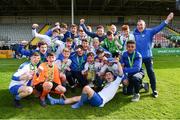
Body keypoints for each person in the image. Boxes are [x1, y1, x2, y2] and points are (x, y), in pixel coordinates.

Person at [133, 12, 174, 98]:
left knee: (151, 73)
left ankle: (154, 90)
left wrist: (167, 20)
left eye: (141, 25)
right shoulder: (134, 33)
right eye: (138, 25)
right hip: (138, 58)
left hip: (148, 57)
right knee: (135, 74)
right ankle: (143, 86)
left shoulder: (150, 31)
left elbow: (159, 28)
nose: (139, 26)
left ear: (144, 25)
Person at [47, 69, 123, 109]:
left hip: (100, 101)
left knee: (86, 87)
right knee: (76, 98)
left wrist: (118, 61)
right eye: (106, 75)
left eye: (109, 74)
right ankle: (55, 101)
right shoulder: (107, 83)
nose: (108, 76)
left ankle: (80, 103)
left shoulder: (116, 82)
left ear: (113, 76)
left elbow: (121, 73)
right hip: (97, 97)